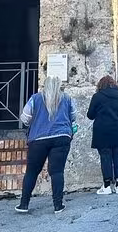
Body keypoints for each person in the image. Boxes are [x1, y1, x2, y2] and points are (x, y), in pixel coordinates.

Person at [16, 76, 76, 214]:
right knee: (57, 171)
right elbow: (73, 116)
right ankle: (58, 205)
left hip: (38, 138)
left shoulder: (35, 98)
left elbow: (24, 117)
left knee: (32, 171)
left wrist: (35, 121)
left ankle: (24, 204)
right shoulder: (66, 98)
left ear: (44, 86)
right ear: (59, 86)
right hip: (61, 136)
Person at [87, 75, 118, 195]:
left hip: (103, 129)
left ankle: (106, 185)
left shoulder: (97, 96)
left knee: (105, 156)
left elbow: (90, 115)